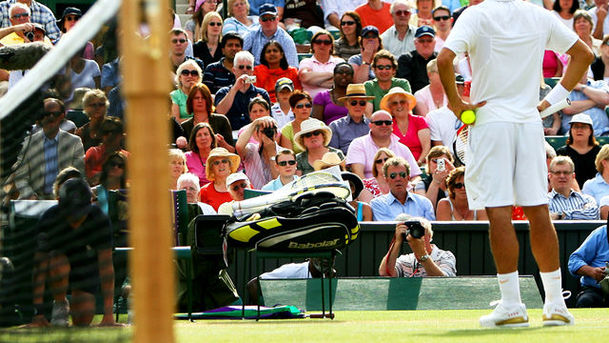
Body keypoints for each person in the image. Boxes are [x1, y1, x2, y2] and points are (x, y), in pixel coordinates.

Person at [437, 0, 593, 327]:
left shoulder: (476, 14)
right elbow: (585, 55)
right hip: (528, 122)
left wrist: (455, 104)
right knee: (538, 210)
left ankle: (512, 305)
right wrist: (549, 104)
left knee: (498, 212)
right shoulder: (539, 14)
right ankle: (554, 304)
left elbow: (444, 58)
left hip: (490, 122)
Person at [30, 178, 118, 327]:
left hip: (85, 268)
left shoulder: (99, 221)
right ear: (59, 202)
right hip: (58, 267)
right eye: (71, 213)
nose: (75, 220)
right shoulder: (49, 220)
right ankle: (60, 305)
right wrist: (38, 313)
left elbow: (106, 267)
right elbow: (39, 268)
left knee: (83, 319)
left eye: (80, 213)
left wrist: (108, 315)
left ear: (91, 203)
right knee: (57, 262)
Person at [13, 98, 85, 200]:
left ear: (62, 116)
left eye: (55, 114)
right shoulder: (28, 143)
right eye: (46, 114)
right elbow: (21, 177)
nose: (51, 117)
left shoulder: (74, 142)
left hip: (65, 199)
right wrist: (30, 195)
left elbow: (79, 174)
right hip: (35, 199)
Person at [346, 110, 421, 180]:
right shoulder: (359, 144)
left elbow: (416, 175)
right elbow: (358, 174)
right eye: (379, 123)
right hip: (370, 191)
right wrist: (372, 190)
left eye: (387, 122)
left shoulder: (403, 148)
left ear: (392, 125)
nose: (384, 125)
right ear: (370, 125)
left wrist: (411, 186)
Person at [378, 215, 456, 277]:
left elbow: (444, 281)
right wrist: (397, 242)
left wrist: (422, 255)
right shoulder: (406, 260)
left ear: (429, 236)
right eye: (412, 233)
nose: (416, 235)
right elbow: (385, 273)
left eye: (420, 232)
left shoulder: (445, 256)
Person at [215, 50, 271, 130]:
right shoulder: (223, 92)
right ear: (234, 70)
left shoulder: (262, 93)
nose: (245, 70)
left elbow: (268, 119)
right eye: (241, 67)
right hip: (229, 134)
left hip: (254, 136)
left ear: (252, 71)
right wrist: (235, 89)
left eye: (248, 67)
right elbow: (220, 113)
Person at [370, 157, 435, 221]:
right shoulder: (378, 204)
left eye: (402, 174)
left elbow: (430, 229)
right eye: (393, 176)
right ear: (386, 179)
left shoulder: (424, 203)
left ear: (408, 178)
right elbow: (384, 230)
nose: (398, 179)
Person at [380, 87, 431, 165]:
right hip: (396, 167)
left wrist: (418, 163)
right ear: (390, 108)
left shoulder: (419, 121)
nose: (399, 105)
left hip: (420, 165)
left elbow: (426, 147)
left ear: (408, 105)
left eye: (402, 102)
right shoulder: (388, 125)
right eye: (394, 103)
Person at [180, 83, 234, 152]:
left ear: (208, 100)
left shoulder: (222, 120)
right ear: (190, 101)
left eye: (203, 98)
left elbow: (232, 151)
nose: (200, 101)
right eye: (196, 98)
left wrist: (222, 142)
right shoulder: (184, 126)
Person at [568, 222, 609, 307]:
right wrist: (592, 271)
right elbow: (574, 260)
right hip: (596, 291)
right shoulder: (602, 232)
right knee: (586, 301)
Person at [425, 74, 466, 156]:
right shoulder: (433, 116)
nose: (454, 90)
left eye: (458, 86)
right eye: (450, 86)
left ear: (463, 88)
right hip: (448, 159)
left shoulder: (475, 113)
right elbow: (439, 148)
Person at [557, 113, 602, 188]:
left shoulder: (600, 152)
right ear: (570, 130)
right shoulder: (562, 153)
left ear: (590, 131)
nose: (579, 130)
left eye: (583, 127)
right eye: (575, 127)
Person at [547, 156, 599, 220]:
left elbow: (592, 214)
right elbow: (545, 219)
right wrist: (581, 213)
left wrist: (560, 215)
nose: (562, 176)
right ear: (550, 176)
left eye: (566, 173)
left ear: (573, 176)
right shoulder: (545, 201)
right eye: (557, 173)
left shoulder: (587, 199)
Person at [236, 116, 280, 188]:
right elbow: (239, 146)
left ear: (276, 134)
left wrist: (272, 154)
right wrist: (255, 123)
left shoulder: (284, 153)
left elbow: (278, 180)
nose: (267, 134)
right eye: (263, 131)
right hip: (254, 196)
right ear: (256, 135)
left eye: (270, 131)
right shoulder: (251, 150)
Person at [298, 30, 345, 98]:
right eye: (318, 42)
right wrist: (331, 74)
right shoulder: (306, 62)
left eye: (326, 42)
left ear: (331, 46)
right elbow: (304, 77)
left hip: (334, 103)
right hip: (311, 104)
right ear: (313, 45)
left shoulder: (339, 62)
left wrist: (313, 82)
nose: (322, 45)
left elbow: (342, 81)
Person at [328, 83, 373, 154]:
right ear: (346, 104)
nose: (358, 106)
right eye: (354, 103)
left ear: (366, 105)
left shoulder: (373, 125)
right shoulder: (335, 126)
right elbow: (333, 155)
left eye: (362, 103)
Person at [84, 117, 128, 186]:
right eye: (106, 132)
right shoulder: (93, 153)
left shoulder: (127, 157)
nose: (110, 135)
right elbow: (88, 178)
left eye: (114, 132)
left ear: (122, 135)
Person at [397, 25, 438, 94]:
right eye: (422, 41)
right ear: (415, 43)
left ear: (434, 43)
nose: (425, 44)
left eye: (429, 41)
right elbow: (404, 87)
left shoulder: (440, 59)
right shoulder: (406, 60)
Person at [414, 145, 454, 210]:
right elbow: (426, 209)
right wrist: (435, 182)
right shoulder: (421, 184)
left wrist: (454, 173)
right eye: (435, 161)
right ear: (428, 163)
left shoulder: (456, 182)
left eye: (443, 161)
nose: (438, 164)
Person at [92, 152, 128, 216]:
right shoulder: (93, 192)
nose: (115, 167)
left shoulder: (128, 194)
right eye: (112, 164)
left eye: (120, 166)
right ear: (106, 166)